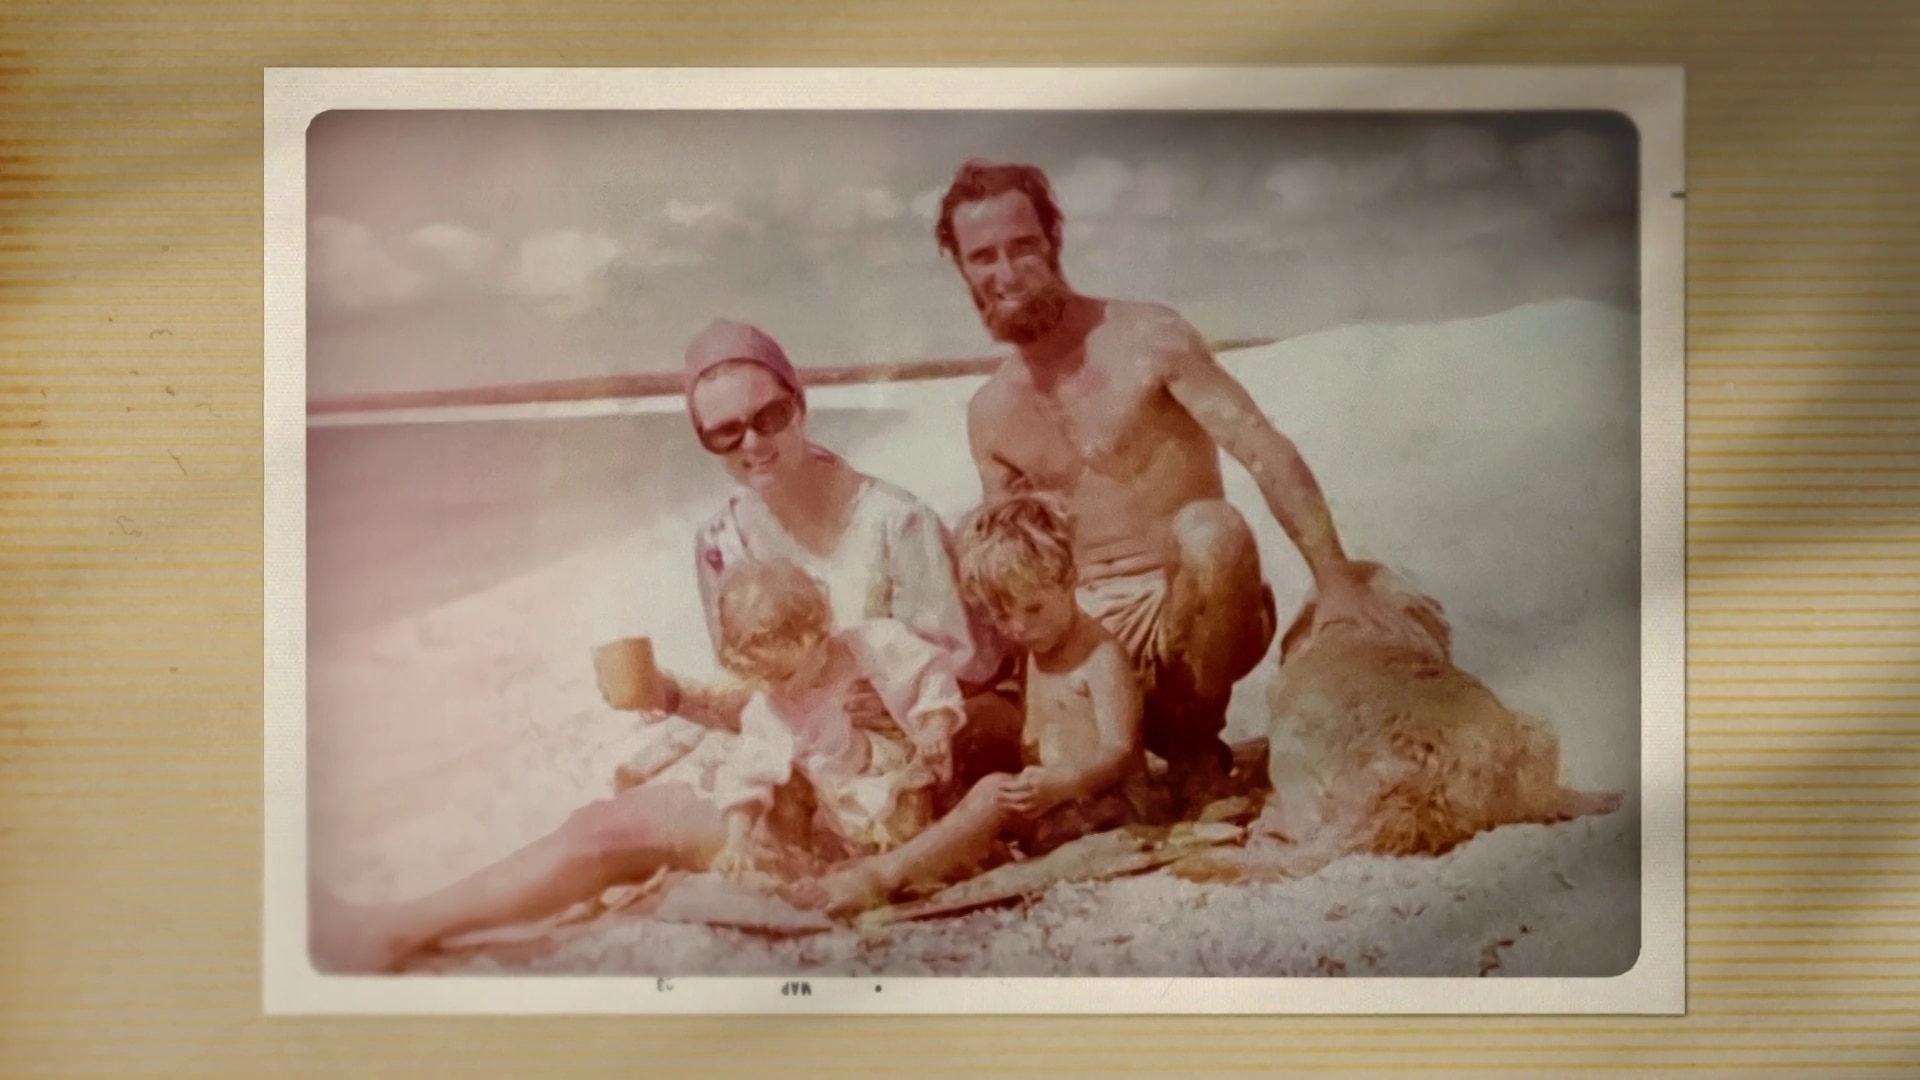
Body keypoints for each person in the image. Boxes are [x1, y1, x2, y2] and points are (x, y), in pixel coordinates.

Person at [931, 159, 1447, 814]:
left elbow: (1263, 448)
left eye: (1022, 246)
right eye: (982, 258)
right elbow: (1009, 560)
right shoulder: (991, 411)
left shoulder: (1149, 339)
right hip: (1082, 630)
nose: (1005, 274)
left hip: (1197, 601)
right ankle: (1128, 750)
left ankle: (1198, 746)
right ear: (962, 269)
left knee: (1213, 530)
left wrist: (1335, 579)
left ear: (1053, 242)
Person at [624, 318, 1024, 799]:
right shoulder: (718, 543)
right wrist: (667, 695)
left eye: (768, 417)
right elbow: (756, 692)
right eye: (725, 433)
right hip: (799, 750)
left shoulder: (895, 522)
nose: (752, 444)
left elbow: (971, 671)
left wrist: (857, 694)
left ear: (799, 406)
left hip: (903, 753)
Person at [791, 491, 1154, 916]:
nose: (1020, 627)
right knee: (956, 751)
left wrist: (1065, 782)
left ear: (1070, 578)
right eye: (1003, 617)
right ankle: (921, 850)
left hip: (1107, 808)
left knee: (994, 794)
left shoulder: (1100, 655)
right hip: (1054, 803)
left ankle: (882, 876)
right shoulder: (1035, 646)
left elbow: (1120, 750)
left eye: (1034, 608)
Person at [698, 558, 963, 881]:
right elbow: (746, 771)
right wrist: (736, 840)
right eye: (764, 678)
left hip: (897, 779)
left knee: (910, 820)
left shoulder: (875, 644)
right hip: (833, 805)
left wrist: (936, 722)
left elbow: (930, 670)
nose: (778, 688)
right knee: (781, 780)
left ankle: (903, 858)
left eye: (785, 674)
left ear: (818, 636)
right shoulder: (772, 706)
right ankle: (803, 861)